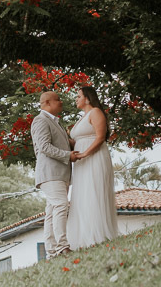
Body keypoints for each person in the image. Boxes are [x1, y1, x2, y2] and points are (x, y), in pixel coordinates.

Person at [30, 91, 83, 258]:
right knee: (61, 206)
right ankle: (62, 247)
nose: (61, 102)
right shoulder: (40, 120)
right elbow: (44, 147)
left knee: (52, 212)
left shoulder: (56, 123)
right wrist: (68, 155)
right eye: (58, 100)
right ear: (47, 103)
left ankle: (52, 251)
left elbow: (62, 143)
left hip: (60, 173)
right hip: (50, 173)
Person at [66, 86, 119, 249]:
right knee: (82, 195)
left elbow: (100, 137)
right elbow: (76, 141)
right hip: (81, 162)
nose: (76, 99)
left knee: (94, 192)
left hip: (94, 157)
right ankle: (84, 237)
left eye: (78, 96)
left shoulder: (95, 112)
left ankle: (99, 234)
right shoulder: (81, 118)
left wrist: (85, 153)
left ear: (87, 98)